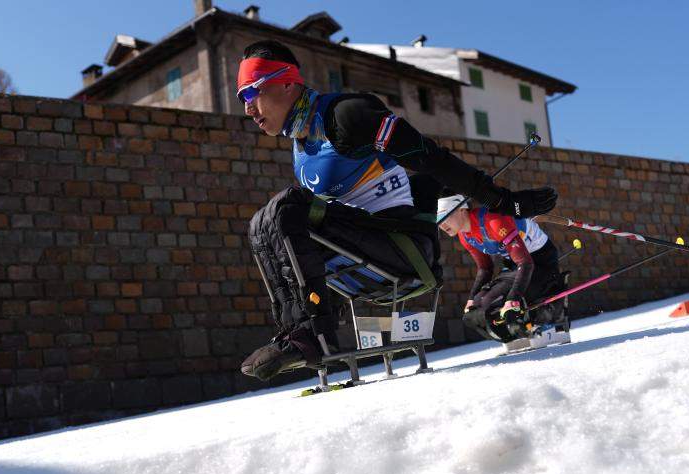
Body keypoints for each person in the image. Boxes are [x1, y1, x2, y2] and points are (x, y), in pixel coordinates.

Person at [238, 40, 558, 379]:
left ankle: (309, 335)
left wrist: (504, 201)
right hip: (365, 248)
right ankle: (295, 333)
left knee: (284, 208)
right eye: (241, 98)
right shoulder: (301, 147)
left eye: (251, 93)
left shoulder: (345, 116)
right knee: (263, 223)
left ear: (288, 82)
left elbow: (431, 157)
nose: (247, 108)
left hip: (404, 248)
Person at [437, 195, 565, 342]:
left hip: (540, 260)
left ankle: (547, 320)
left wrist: (513, 299)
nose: (442, 224)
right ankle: (516, 334)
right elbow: (485, 268)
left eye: (445, 216)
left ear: (462, 209)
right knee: (479, 306)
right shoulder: (464, 235)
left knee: (501, 301)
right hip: (515, 264)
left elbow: (526, 263)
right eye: (438, 220)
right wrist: (472, 298)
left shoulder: (492, 220)